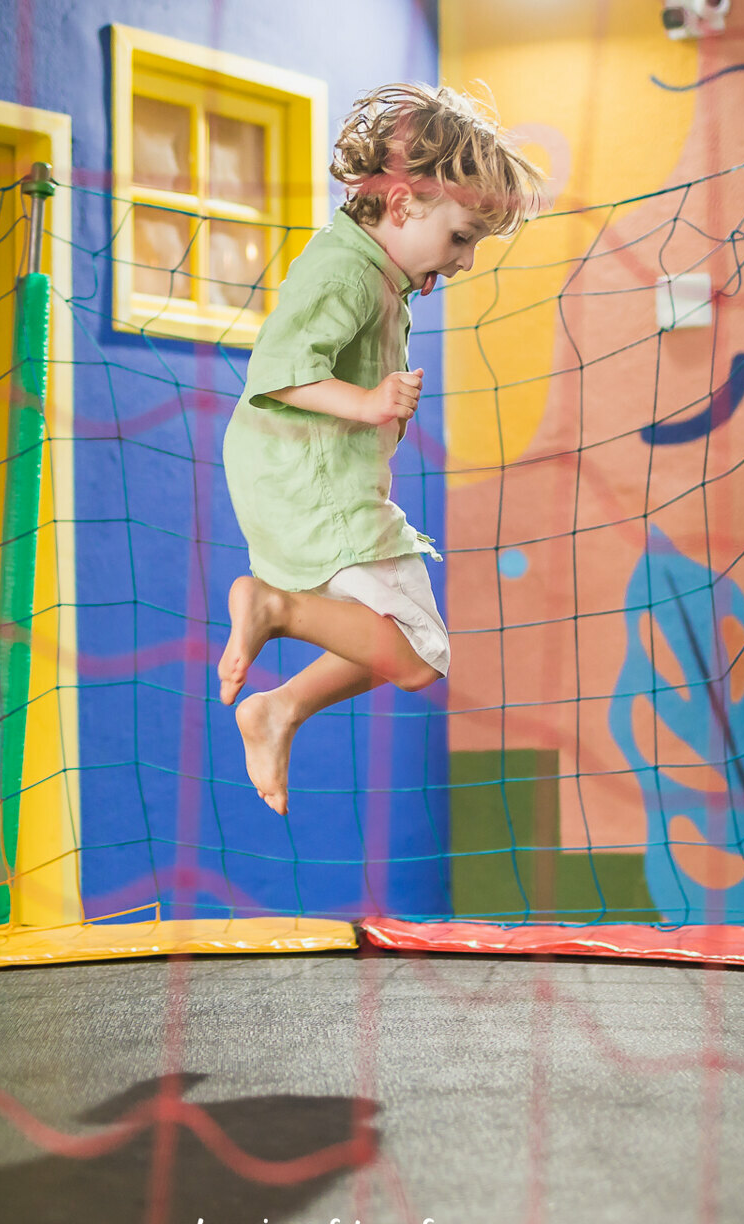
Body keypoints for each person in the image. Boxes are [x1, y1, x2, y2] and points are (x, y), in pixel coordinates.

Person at [217, 82, 546, 814]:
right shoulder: (350, 274)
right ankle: (275, 614)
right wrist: (368, 404)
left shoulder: (378, 275)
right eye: (461, 238)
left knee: (413, 650)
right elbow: (279, 369)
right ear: (402, 206)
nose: (463, 263)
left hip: (307, 480)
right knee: (422, 652)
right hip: (313, 482)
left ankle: (277, 707)